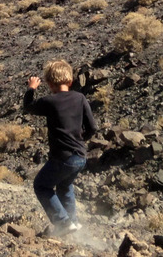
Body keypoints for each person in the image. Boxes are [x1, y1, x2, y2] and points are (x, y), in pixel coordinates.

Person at [23, 59, 98, 235]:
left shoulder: (50, 101)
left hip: (63, 157)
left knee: (41, 186)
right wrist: (80, 139)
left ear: (49, 83)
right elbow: (93, 128)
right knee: (65, 186)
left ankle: (63, 222)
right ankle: (74, 223)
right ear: (70, 81)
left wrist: (31, 88)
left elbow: (28, 107)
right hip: (80, 156)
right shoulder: (80, 98)